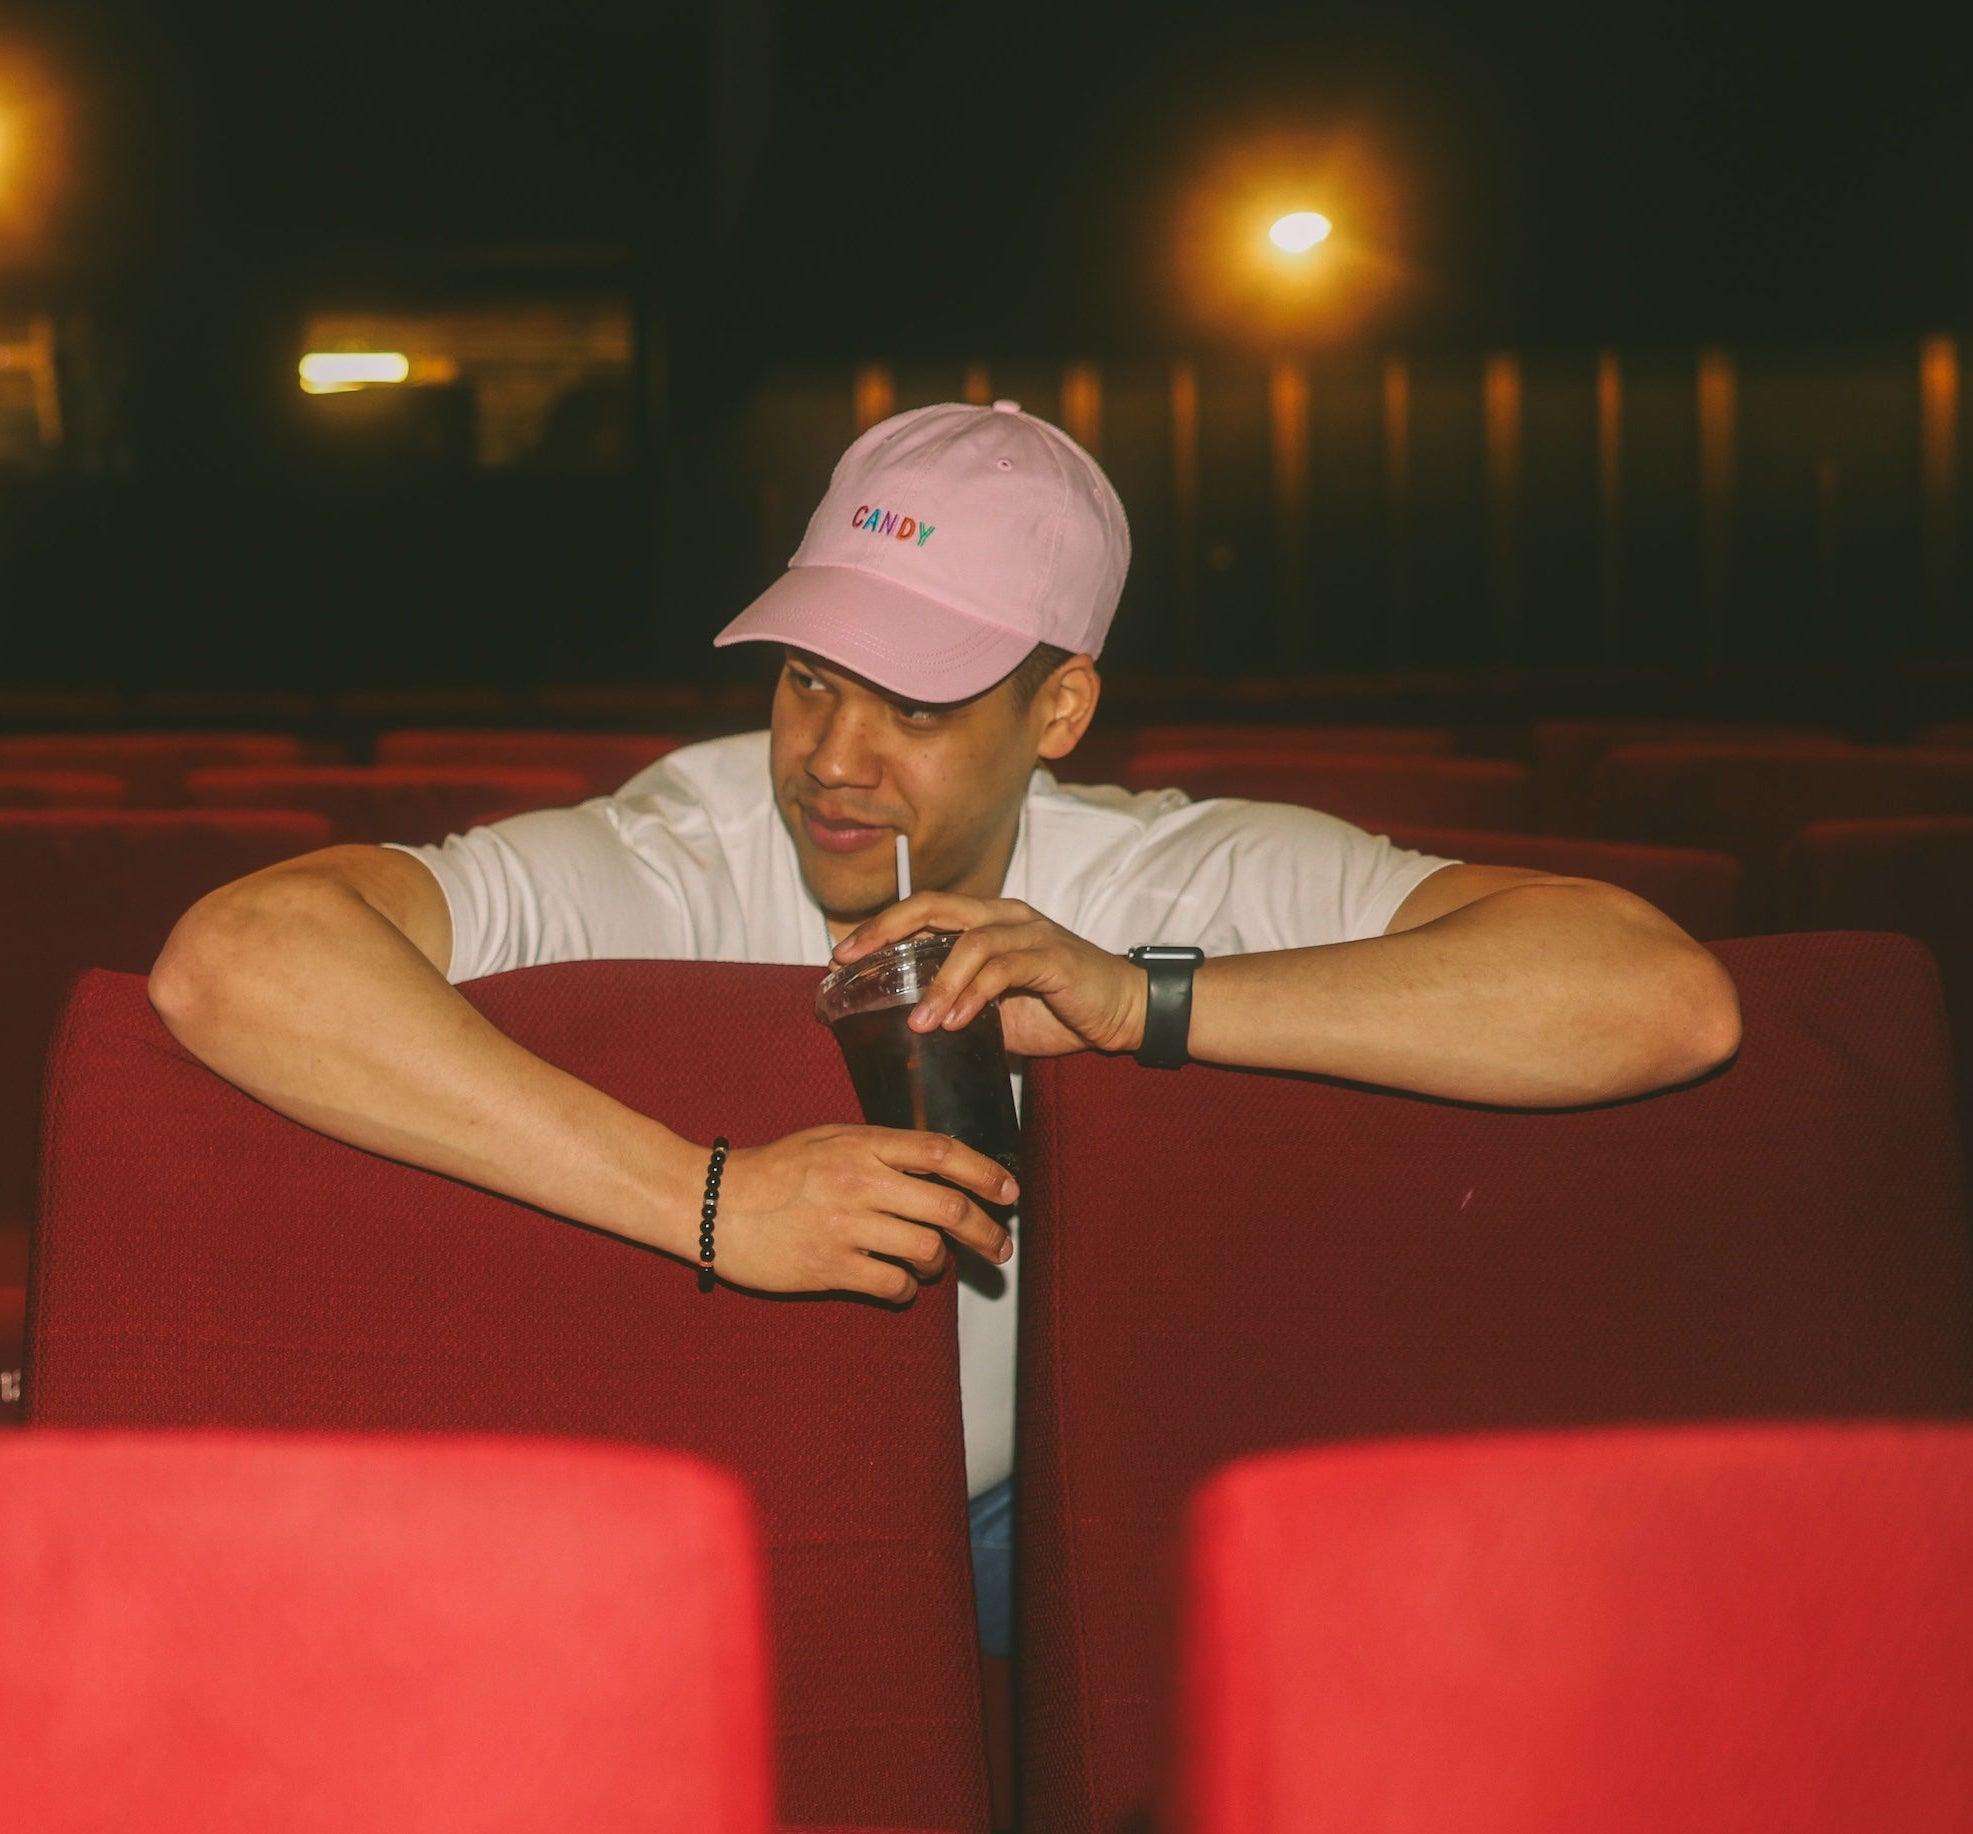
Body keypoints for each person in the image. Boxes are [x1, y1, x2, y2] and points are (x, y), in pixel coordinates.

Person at [151, 399, 1743, 1656]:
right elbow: (239, 956)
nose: (830, 758)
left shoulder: (1165, 867)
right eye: (802, 681)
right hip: (669, 1532)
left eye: (912, 706)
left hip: (1031, 1529)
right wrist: (713, 1200)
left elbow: (1654, 995)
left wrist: (1145, 999)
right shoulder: (676, 844)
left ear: (1055, 713)